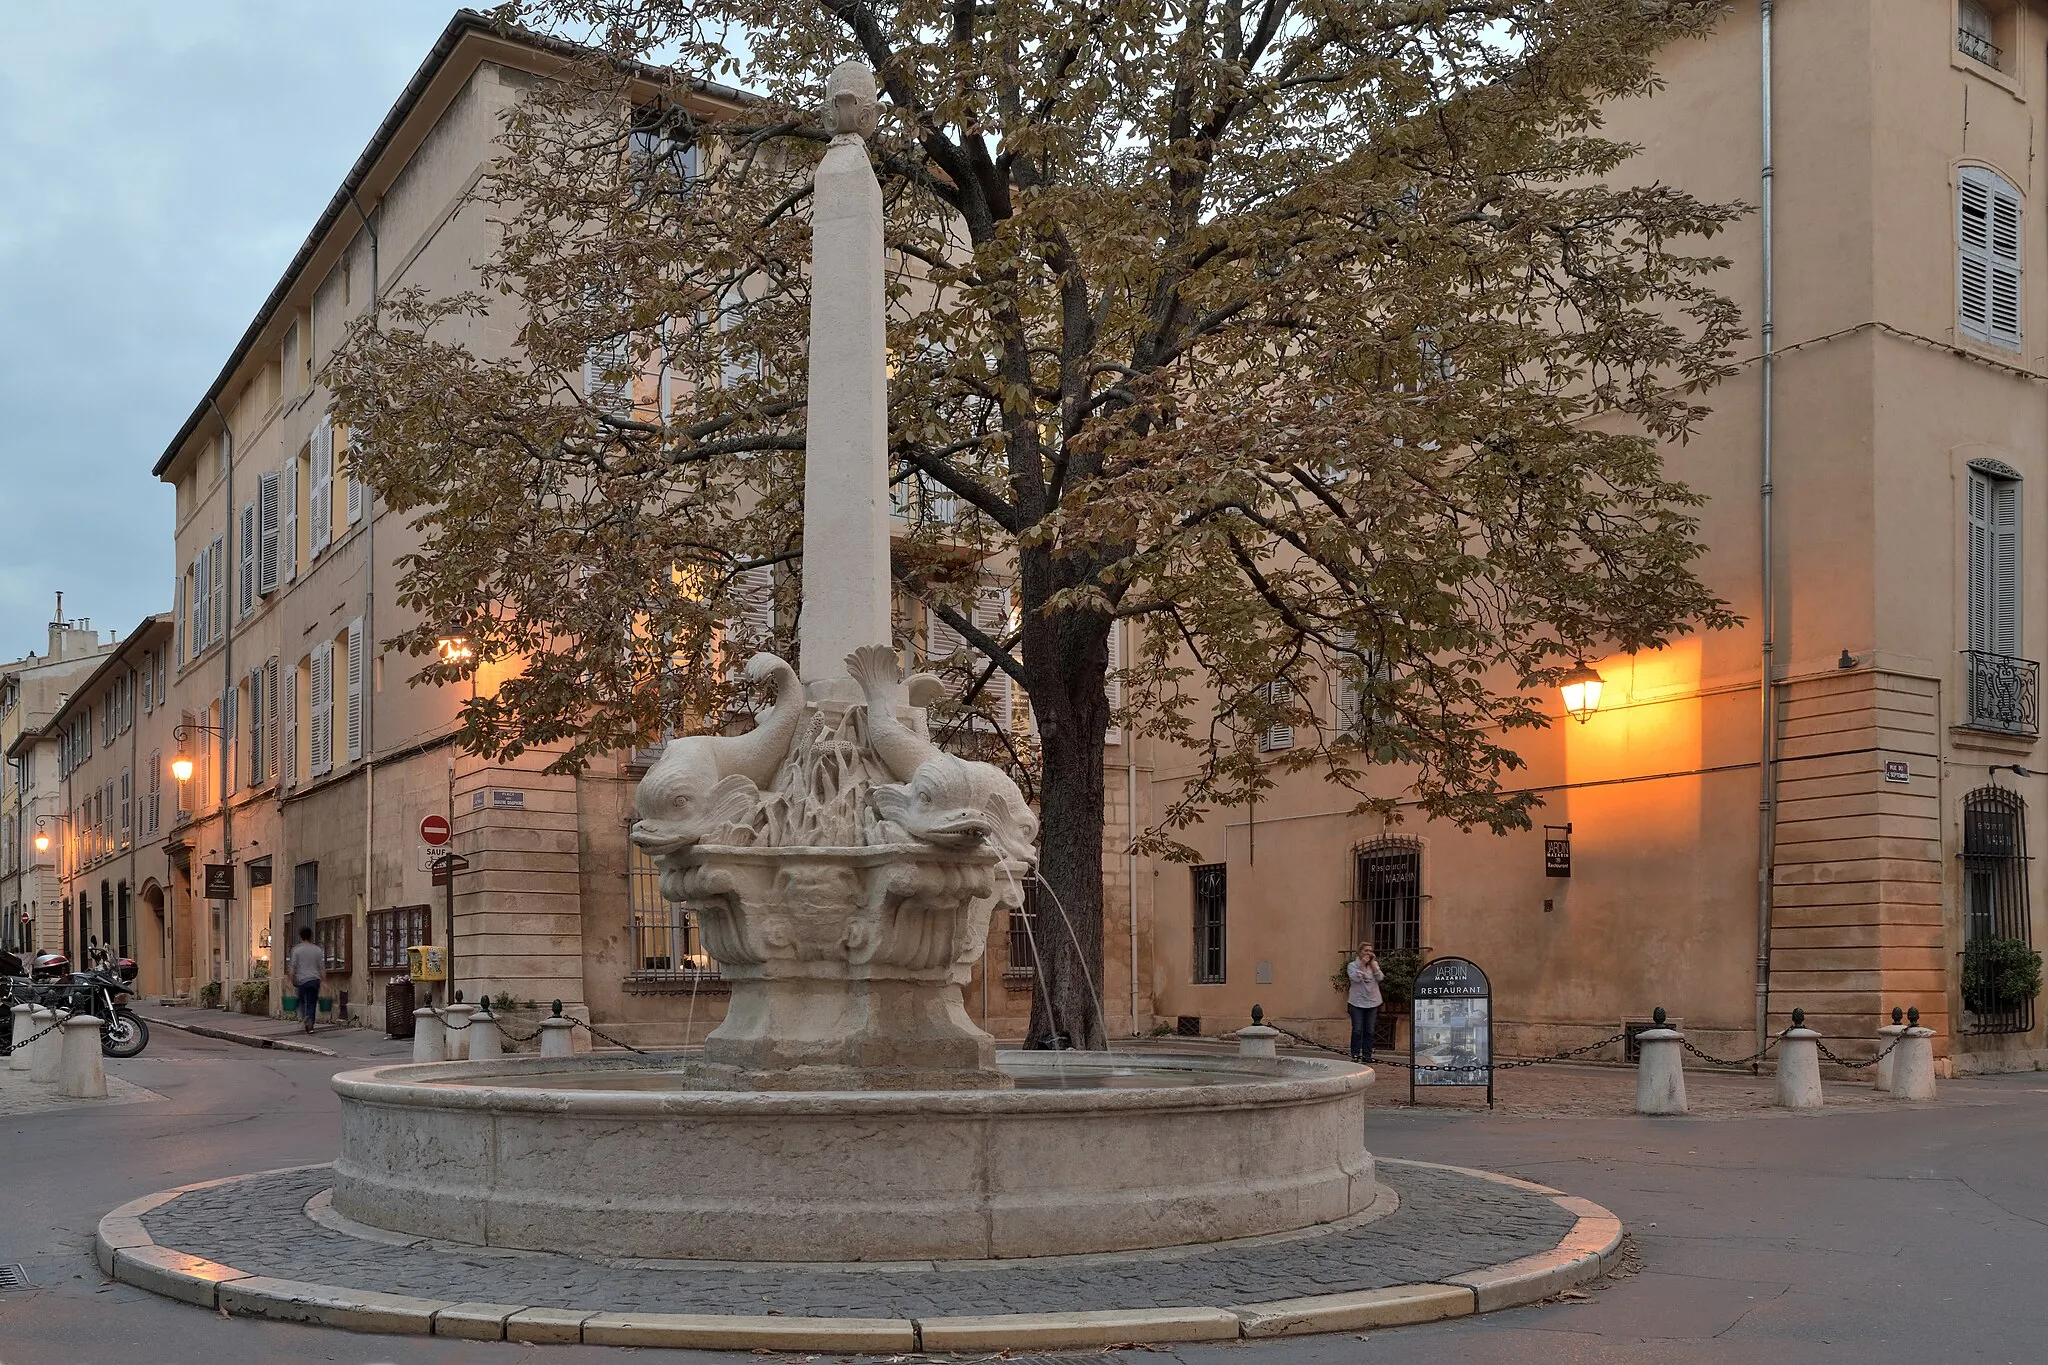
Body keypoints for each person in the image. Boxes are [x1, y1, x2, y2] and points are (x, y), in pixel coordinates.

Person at [1346, 941, 1384, 1063]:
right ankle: (1355, 1054)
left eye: (1370, 951)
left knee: (1370, 1030)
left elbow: (1380, 978)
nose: (1368, 953)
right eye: (1366, 950)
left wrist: (1373, 965)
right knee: (1357, 1029)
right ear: (1360, 952)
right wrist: (1362, 964)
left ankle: (1367, 1056)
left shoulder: (1374, 965)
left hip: (1372, 1002)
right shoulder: (1352, 966)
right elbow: (1356, 978)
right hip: (1356, 1002)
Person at [287, 928, 325, 1034]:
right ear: (311, 936)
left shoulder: (297, 950)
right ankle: (311, 1023)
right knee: (312, 1003)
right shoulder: (317, 949)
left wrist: (290, 980)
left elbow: (292, 967)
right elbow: (321, 967)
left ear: (301, 936)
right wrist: (325, 981)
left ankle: (306, 1017)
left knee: (302, 1001)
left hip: (302, 980)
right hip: (314, 980)